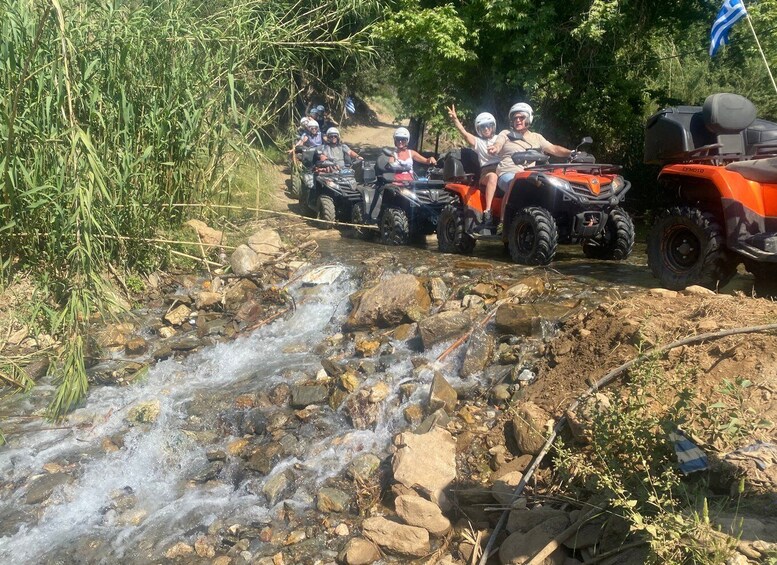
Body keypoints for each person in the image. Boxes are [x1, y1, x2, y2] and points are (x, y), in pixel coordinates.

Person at [489, 102, 572, 191]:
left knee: (554, 189)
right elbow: (498, 143)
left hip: (530, 176)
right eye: (515, 118)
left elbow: (554, 149)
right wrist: (495, 148)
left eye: (521, 117)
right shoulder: (506, 133)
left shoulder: (536, 137)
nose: (517, 120)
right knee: (519, 184)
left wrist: (571, 153)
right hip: (508, 173)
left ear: (529, 119)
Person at [447, 104, 500, 224]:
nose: (486, 129)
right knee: (493, 177)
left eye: (488, 126)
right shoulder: (478, 142)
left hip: (503, 168)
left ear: (493, 126)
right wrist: (455, 119)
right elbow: (464, 133)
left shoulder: (500, 138)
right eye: (482, 127)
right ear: (479, 129)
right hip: (487, 173)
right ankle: (488, 212)